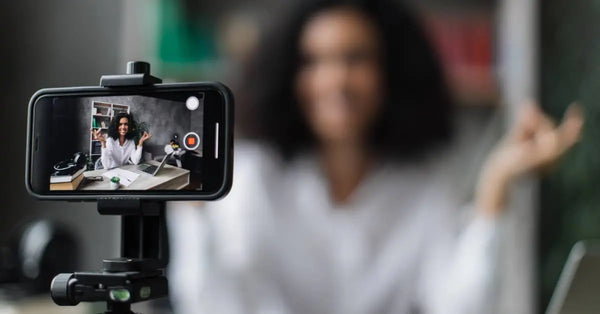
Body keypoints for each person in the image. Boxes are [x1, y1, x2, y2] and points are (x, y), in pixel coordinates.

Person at [167, 0, 584, 313]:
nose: (337, 80)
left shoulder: (422, 183)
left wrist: (496, 185)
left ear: (390, 73)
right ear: (291, 76)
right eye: (315, 61)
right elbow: (211, 303)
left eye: (356, 58)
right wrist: (188, 206)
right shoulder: (253, 175)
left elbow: (460, 306)